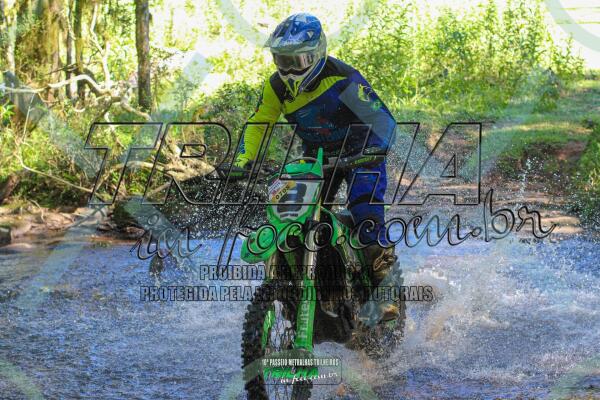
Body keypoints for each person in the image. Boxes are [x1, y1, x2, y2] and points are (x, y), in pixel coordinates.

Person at [234, 13, 399, 321]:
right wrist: (243, 161)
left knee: (365, 214)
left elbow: (383, 120)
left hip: (362, 151)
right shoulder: (276, 87)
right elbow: (258, 123)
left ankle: (384, 292)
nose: (288, 70)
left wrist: (377, 149)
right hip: (318, 157)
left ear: (317, 54)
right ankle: (299, 286)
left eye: (296, 61)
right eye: (282, 60)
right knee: (295, 217)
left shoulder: (342, 78)